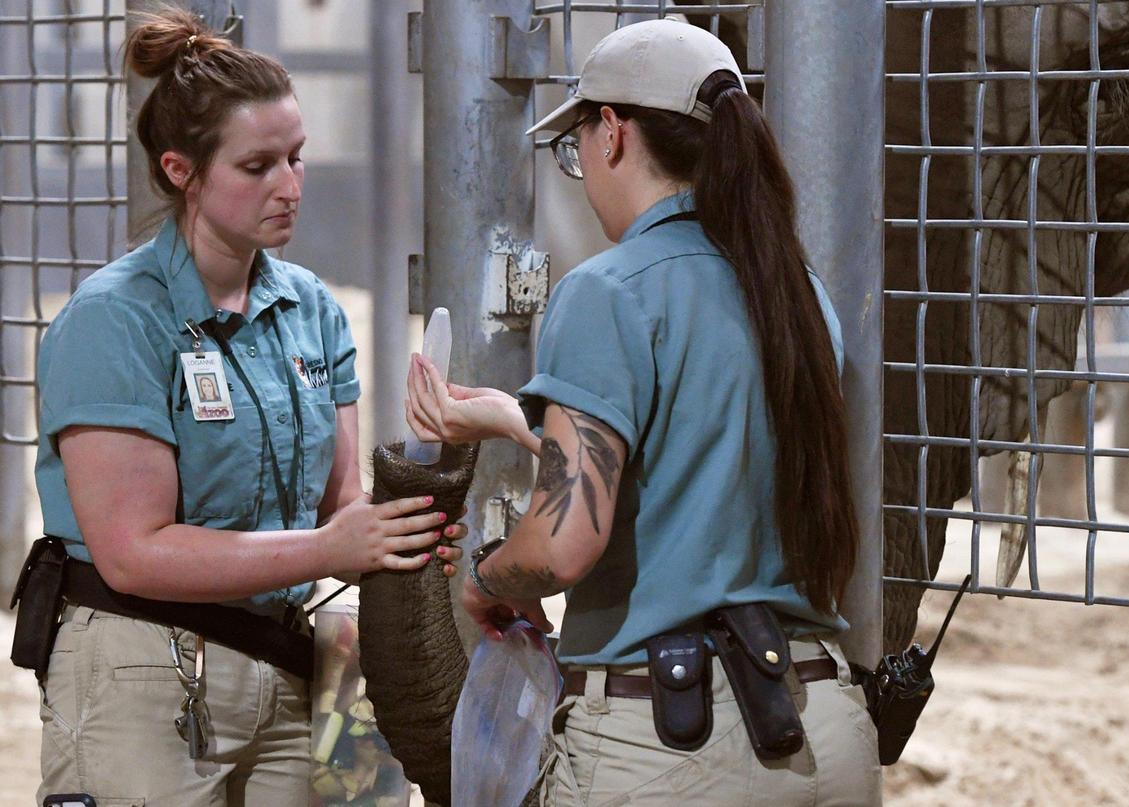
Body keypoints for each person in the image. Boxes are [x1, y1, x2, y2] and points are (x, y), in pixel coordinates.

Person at [404, 18, 880, 806]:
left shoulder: (608, 289)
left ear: (613, 135)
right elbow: (700, 457)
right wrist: (509, 417)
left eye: (576, 145)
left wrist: (489, 576)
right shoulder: (797, 293)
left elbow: (561, 548)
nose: (581, 167)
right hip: (822, 727)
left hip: (671, 744)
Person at [25, 8, 464, 805]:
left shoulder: (312, 309)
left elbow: (340, 508)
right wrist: (334, 546)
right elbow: (133, 551)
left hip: (292, 659)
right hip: (142, 668)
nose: (290, 185)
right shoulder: (115, 319)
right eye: (257, 165)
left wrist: (401, 528)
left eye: (296, 157)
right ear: (180, 169)